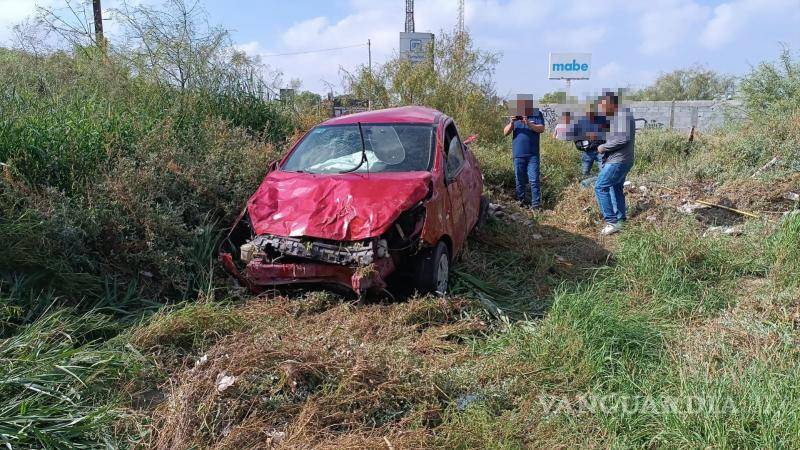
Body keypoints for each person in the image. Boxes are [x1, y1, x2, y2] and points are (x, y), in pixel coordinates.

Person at [595, 91, 635, 235]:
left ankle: (611, 222)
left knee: (600, 187)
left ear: (611, 103)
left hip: (618, 160)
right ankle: (621, 220)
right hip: (622, 159)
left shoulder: (622, 115)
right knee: (615, 188)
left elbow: (623, 139)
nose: (602, 109)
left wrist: (603, 147)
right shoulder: (619, 115)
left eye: (603, 106)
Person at [503, 97, 545, 209]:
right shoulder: (514, 115)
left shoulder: (537, 114)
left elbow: (541, 129)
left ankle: (536, 206)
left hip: (533, 155)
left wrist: (528, 123)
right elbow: (505, 132)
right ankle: (520, 204)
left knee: (534, 180)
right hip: (518, 154)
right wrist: (512, 122)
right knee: (519, 180)